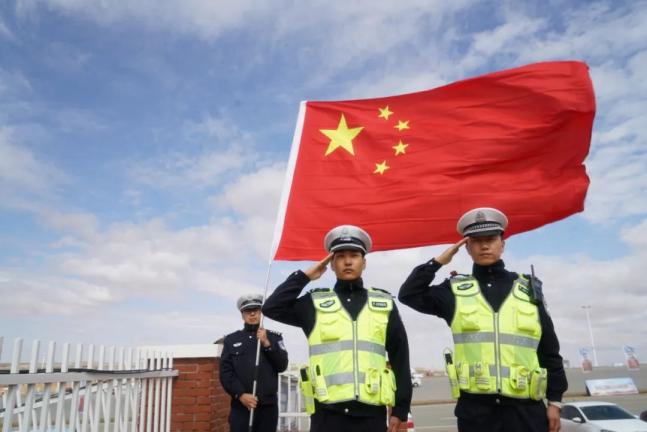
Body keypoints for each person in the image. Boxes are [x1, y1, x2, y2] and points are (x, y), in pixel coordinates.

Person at [398, 207, 567, 432]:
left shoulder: (528, 289)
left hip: (526, 411)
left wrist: (555, 401)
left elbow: (549, 350)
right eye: (477, 241)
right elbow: (408, 294)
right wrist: (437, 262)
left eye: (491, 239)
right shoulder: (454, 291)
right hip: (476, 413)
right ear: (467, 247)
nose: (484, 246)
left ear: (502, 244)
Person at [262, 225, 412, 432]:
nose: (347, 261)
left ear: (364, 262)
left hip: (371, 416)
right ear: (331, 264)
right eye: (340, 256)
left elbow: (400, 357)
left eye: (354, 255)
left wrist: (400, 409)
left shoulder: (384, 304)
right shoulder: (313, 303)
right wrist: (304, 276)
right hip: (327, 416)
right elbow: (272, 307)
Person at [219, 293, 289, 432]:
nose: (252, 314)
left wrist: (266, 343)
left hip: (267, 408)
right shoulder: (231, 340)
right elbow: (226, 372)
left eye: (256, 310)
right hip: (241, 406)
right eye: (247, 311)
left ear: (261, 313)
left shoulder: (274, 338)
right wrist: (240, 394)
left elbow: (282, 365)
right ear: (242, 315)